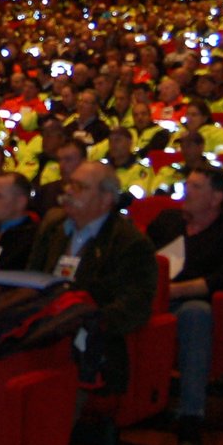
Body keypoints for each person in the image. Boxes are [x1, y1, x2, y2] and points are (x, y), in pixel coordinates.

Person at [145, 166, 223, 445]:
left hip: (188, 304)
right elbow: (140, 258)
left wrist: (178, 289)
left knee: (196, 313)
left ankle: (190, 421)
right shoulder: (167, 222)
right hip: (152, 301)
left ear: (216, 197)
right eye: (186, 185)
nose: (185, 192)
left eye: (195, 187)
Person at [27, 161, 160, 399]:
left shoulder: (129, 243)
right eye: (70, 185)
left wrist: (82, 319)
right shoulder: (53, 229)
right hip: (42, 329)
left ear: (106, 198)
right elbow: (32, 279)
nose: (68, 191)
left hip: (91, 341)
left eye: (80, 187)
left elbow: (134, 308)